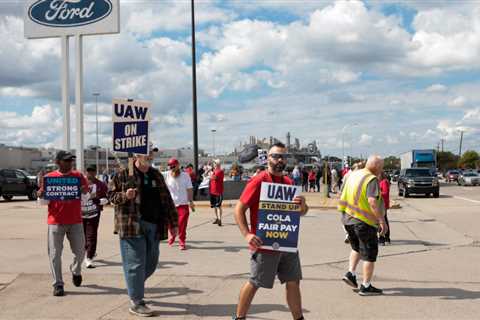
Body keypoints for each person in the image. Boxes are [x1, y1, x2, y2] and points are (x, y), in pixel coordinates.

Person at [233, 142, 309, 320]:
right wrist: (247, 234)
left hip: (287, 243)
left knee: (293, 282)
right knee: (255, 282)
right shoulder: (259, 180)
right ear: (268, 158)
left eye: (282, 156)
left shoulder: (289, 182)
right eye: (275, 156)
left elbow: (301, 213)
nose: (279, 159)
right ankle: (239, 317)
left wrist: (303, 205)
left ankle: (298, 318)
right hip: (264, 244)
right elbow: (239, 209)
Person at [108, 151, 178, 317]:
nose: (150, 156)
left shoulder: (156, 175)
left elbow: (167, 200)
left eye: (151, 154)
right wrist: (125, 195)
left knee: (152, 263)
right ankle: (136, 301)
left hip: (154, 226)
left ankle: (134, 284)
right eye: (146, 153)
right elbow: (110, 196)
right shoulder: (123, 174)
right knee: (136, 264)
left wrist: (173, 223)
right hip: (131, 225)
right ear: (136, 156)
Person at [37, 150, 88, 297]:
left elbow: (84, 199)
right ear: (58, 162)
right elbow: (43, 202)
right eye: (67, 160)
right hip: (56, 222)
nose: (70, 163)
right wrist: (40, 195)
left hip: (75, 221)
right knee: (54, 254)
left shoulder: (78, 176)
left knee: (80, 252)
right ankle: (58, 284)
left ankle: (76, 270)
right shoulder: (49, 178)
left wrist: (85, 192)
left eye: (71, 160)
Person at [338, 155, 387, 296]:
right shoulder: (371, 179)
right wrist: (381, 221)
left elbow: (342, 193)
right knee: (369, 255)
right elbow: (372, 201)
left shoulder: (353, 175)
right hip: (363, 222)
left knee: (356, 248)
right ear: (376, 166)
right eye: (381, 167)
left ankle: (351, 273)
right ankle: (366, 286)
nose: (382, 170)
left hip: (348, 219)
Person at [165, 158, 195, 250]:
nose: (172, 168)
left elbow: (189, 189)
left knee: (182, 225)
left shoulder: (185, 176)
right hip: (171, 205)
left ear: (178, 166)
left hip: (183, 204)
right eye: (170, 167)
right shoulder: (166, 175)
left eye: (173, 166)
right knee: (170, 224)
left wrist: (191, 201)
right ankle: (173, 235)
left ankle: (182, 241)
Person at [82, 166, 108, 268]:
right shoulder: (80, 182)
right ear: (86, 172)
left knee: (92, 235)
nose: (91, 174)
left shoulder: (100, 184)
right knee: (82, 236)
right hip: (80, 214)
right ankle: (87, 250)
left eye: (93, 172)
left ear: (96, 172)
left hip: (94, 213)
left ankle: (89, 257)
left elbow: (107, 198)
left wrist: (99, 201)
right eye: (89, 172)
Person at [210, 159, 225, 226]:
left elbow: (213, 177)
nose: (213, 164)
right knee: (214, 206)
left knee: (218, 206)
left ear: (217, 164)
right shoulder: (214, 171)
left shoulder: (220, 171)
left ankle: (219, 219)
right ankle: (217, 218)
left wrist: (210, 173)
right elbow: (206, 176)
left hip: (218, 192)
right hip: (212, 191)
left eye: (214, 163)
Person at [378, 171, 391, 245]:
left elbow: (385, 193)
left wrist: (377, 193)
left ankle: (382, 238)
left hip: (383, 204)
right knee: (384, 220)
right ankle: (386, 238)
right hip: (380, 203)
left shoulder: (384, 182)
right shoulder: (381, 181)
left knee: (382, 221)